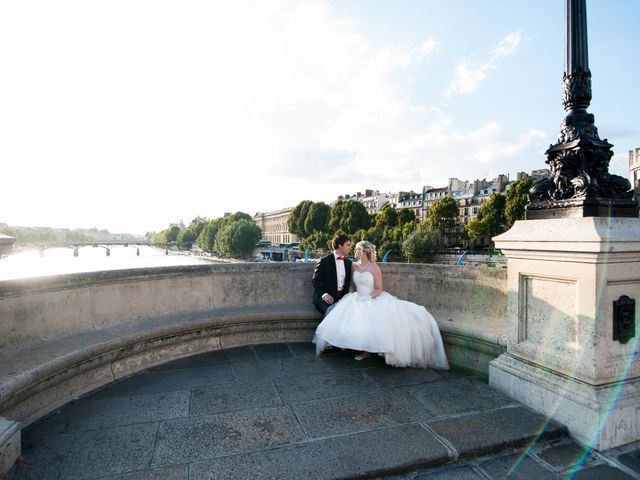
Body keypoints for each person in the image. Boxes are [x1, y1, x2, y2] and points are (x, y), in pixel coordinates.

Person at [313, 240, 449, 369]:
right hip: (356, 297)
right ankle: (354, 346)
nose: (355, 251)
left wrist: (368, 298)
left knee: (370, 319)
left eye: (358, 249)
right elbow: (351, 286)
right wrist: (349, 295)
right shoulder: (353, 265)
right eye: (354, 249)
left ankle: (366, 351)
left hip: (371, 297)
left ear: (365, 251)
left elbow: (379, 288)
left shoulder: (374, 267)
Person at [312, 234, 352, 316]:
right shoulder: (324, 261)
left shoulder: (349, 263)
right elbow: (315, 281)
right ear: (340, 246)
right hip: (324, 299)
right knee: (333, 314)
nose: (350, 247)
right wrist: (324, 295)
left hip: (342, 299)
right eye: (348, 245)